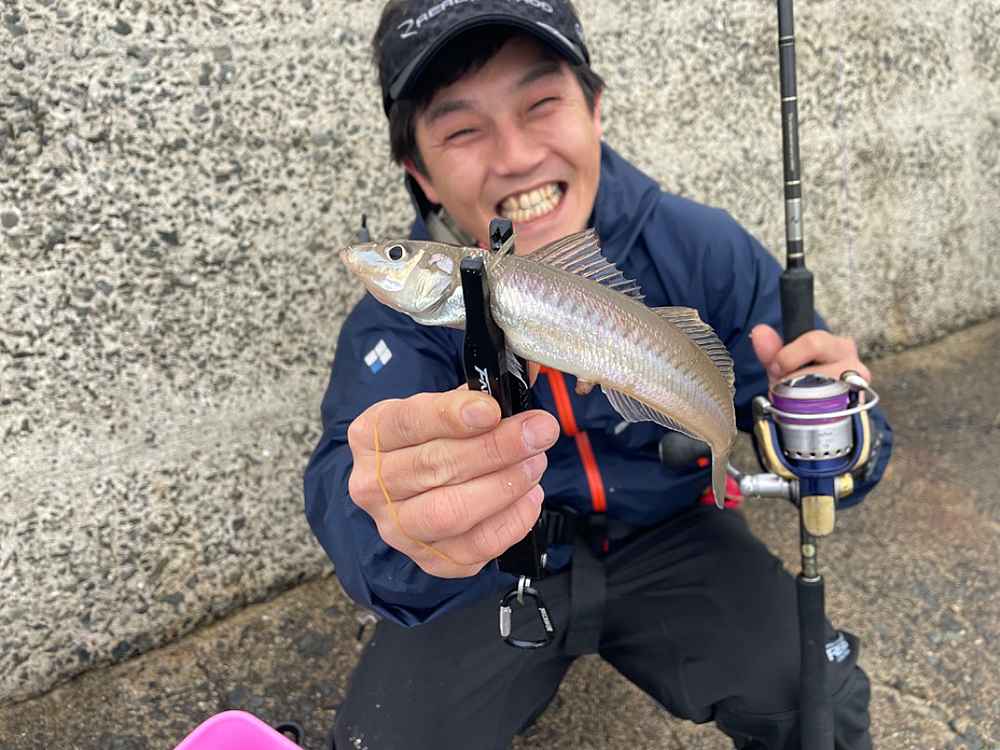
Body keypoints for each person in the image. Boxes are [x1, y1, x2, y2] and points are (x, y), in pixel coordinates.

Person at [304, 1, 893, 748]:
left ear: (595, 109)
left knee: (819, 700)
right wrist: (399, 522)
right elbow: (347, 485)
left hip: (675, 531)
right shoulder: (390, 329)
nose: (516, 155)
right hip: (491, 571)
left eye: (541, 103)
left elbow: (822, 432)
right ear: (420, 172)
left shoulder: (702, 245)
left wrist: (837, 430)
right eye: (462, 130)